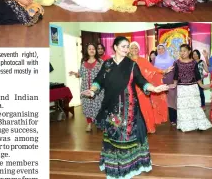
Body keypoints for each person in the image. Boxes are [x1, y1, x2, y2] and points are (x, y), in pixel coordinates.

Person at [81, 36, 170, 178]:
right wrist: (92, 90)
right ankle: (114, 166)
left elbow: (141, 80)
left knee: (127, 137)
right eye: (123, 46)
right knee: (113, 136)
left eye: (127, 47)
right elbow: (99, 80)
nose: (126, 49)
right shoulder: (107, 64)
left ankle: (130, 167)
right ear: (115, 47)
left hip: (129, 107)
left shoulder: (131, 64)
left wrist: (154, 88)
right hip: (111, 106)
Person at [130, 41, 169, 133]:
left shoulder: (143, 60)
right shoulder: (126, 61)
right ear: (129, 49)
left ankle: (149, 127)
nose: (134, 50)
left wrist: (163, 71)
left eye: (136, 48)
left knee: (145, 106)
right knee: (131, 108)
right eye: (132, 48)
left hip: (142, 87)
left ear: (139, 50)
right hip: (130, 88)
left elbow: (152, 70)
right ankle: (133, 129)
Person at [171, 44, 212, 132]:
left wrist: (202, 85)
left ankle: (199, 125)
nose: (182, 53)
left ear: (189, 51)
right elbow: (175, 75)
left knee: (195, 106)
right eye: (181, 51)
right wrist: (173, 84)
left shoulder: (194, 62)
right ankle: (184, 125)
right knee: (183, 108)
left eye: (184, 51)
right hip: (182, 88)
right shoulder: (176, 62)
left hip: (193, 88)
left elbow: (197, 75)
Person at [69, 43, 104, 132]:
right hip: (85, 89)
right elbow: (81, 74)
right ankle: (89, 124)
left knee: (98, 106)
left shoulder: (100, 62)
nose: (92, 50)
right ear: (87, 51)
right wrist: (75, 73)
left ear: (95, 51)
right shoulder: (83, 61)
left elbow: (104, 75)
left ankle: (99, 123)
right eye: (89, 49)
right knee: (87, 106)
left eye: (93, 49)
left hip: (97, 89)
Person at [154, 44, 176, 125]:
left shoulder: (171, 60)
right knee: (158, 101)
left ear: (165, 49)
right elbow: (152, 71)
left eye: (162, 48)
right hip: (158, 82)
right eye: (158, 49)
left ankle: (173, 119)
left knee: (171, 101)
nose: (160, 50)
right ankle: (159, 119)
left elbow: (175, 72)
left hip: (170, 82)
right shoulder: (154, 59)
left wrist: (175, 82)